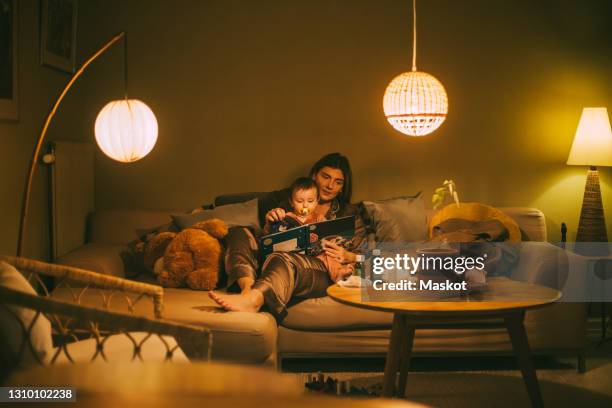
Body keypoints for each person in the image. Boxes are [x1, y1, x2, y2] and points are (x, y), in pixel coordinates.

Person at [209, 153, 366, 320]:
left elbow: (367, 256)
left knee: (283, 258)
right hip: (277, 257)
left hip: (321, 267)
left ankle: (254, 300)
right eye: (325, 177)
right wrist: (270, 221)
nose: (330, 185)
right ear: (314, 175)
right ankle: (246, 289)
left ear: (342, 187)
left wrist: (348, 256)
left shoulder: (350, 213)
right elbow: (266, 238)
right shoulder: (289, 199)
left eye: (338, 182)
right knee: (238, 232)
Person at [262, 176, 354, 282]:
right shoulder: (286, 217)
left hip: (315, 259)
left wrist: (325, 228)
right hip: (292, 257)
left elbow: (326, 236)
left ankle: (339, 272)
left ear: (316, 202)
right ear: (291, 202)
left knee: (329, 254)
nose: (305, 205)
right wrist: (272, 223)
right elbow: (269, 235)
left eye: (310, 201)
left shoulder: (318, 218)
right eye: (299, 201)